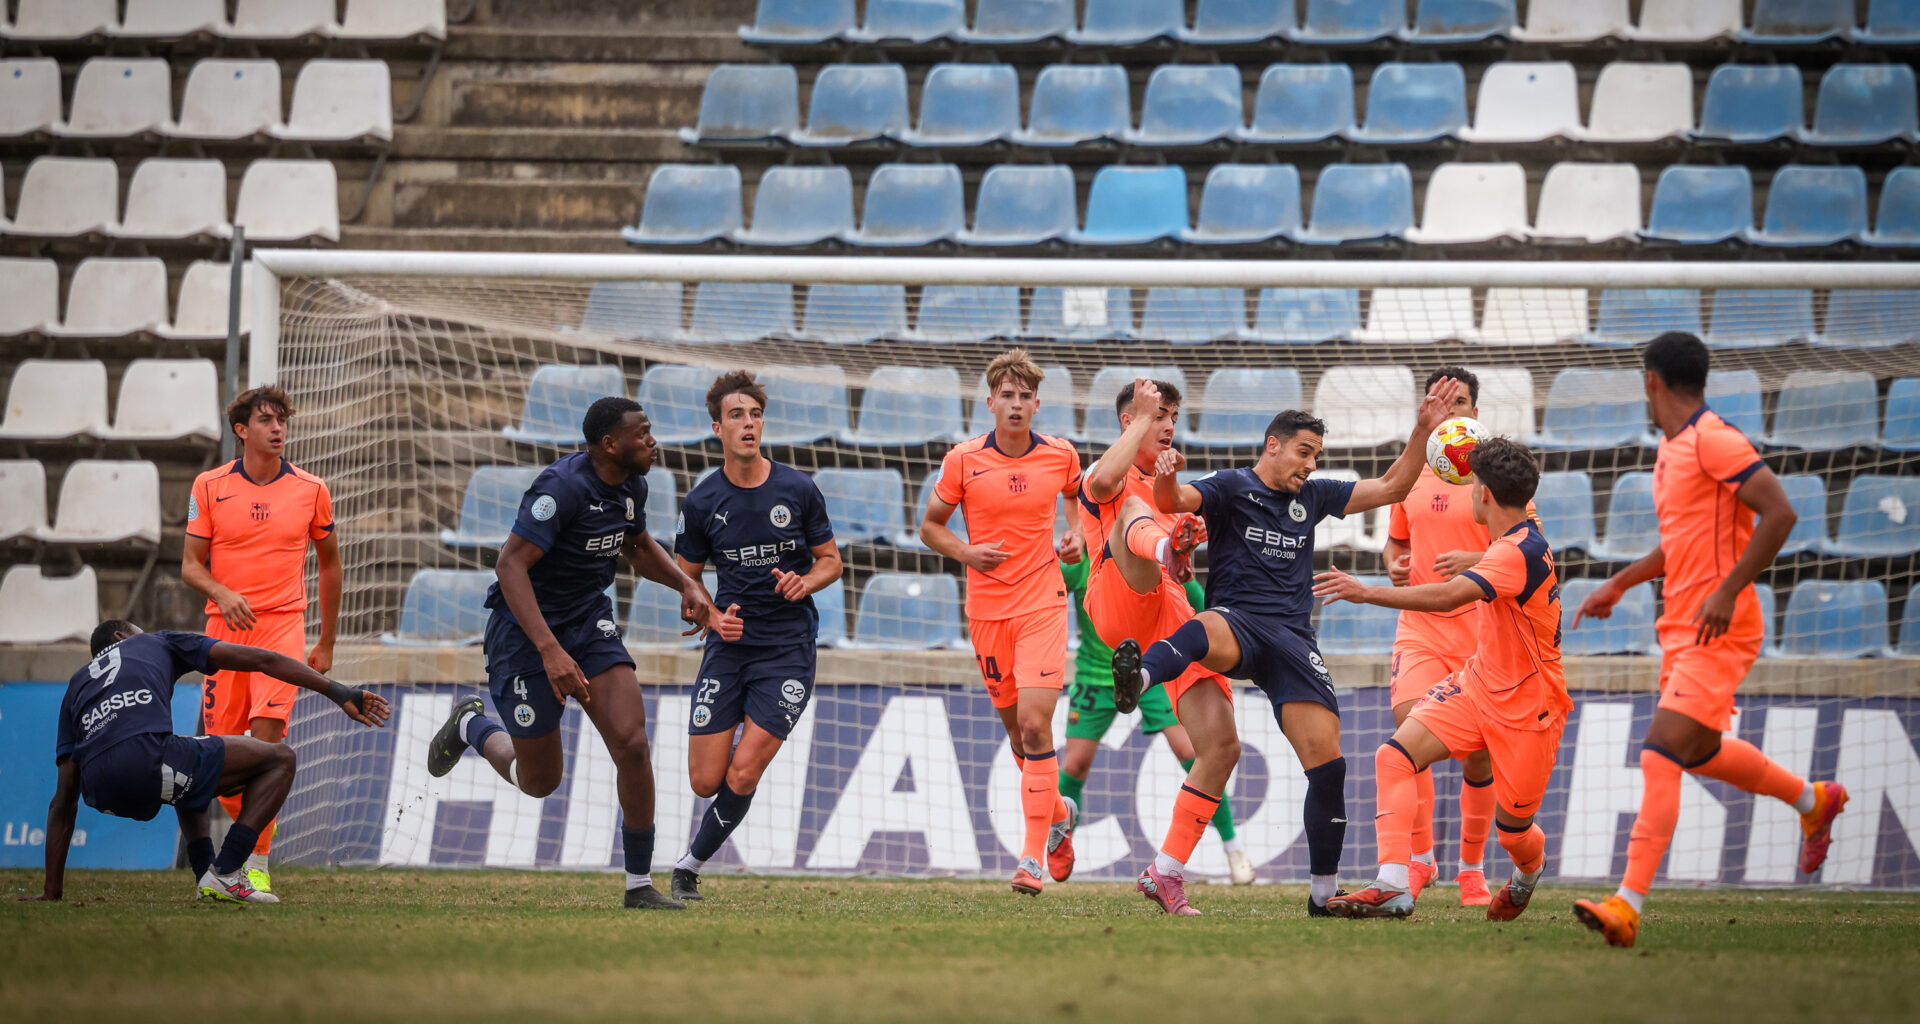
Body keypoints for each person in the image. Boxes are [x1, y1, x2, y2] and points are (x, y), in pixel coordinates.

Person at [1119, 377, 1463, 916]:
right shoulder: (1231, 486)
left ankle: (1323, 896)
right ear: (1273, 446)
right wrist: (1166, 476)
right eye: (1304, 452)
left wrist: (1422, 430)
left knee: (1329, 767)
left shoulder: (1316, 496)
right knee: (1205, 626)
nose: (1310, 464)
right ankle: (1139, 676)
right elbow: (1174, 501)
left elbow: (1393, 487)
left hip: (1294, 639)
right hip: (1240, 622)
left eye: (1316, 454)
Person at [1571, 332, 1847, 948]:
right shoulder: (1673, 448)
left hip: (1720, 625)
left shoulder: (1714, 439)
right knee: (1700, 752)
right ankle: (1813, 800)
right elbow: (1681, 542)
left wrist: (1727, 591)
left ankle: (1627, 905)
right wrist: (1620, 582)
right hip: (1683, 626)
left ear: (1651, 380)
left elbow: (1780, 513)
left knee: (1660, 751)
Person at [426, 396, 716, 910]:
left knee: (632, 744)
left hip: (587, 621)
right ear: (609, 444)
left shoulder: (632, 485)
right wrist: (550, 652)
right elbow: (510, 565)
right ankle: (473, 726)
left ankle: (638, 884)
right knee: (540, 781)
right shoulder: (560, 489)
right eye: (642, 433)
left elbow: (636, 545)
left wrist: (685, 584)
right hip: (524, 634)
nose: (653, 441)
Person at [1314, 438, 1567, 921]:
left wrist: (1366, 593)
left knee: (1514, 832)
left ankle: (1528, 871)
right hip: (1478, 686)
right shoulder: (1518, 540)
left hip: (1529, 708)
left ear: (1484, 494)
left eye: (1473, 485)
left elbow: (1448, 597)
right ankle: (1394, 881)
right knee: (1394, 756)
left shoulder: (1516, 552)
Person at [24, 620, 387, 905]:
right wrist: (339, 692)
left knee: (188, 765)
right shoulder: (158, 642)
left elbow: (63, 799)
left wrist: (52, 889)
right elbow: (264, 660)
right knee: (281, 759)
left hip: (100, 790)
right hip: (146, 763)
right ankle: (228, 871)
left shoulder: (78, 684)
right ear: (123, 636)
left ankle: (207, 878)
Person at [1070, 378, 1251, 887]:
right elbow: (1106, 483)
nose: (1169, 425)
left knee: (1220, 747)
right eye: (1158, 415)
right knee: (1134, 511)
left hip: (1167, 623)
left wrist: (1185, 555)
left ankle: (1166, 872)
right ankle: (1052, 833)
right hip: (1116, 602)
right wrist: (1171, 550)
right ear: (1129, 423)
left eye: (1173, 416)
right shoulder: (1106, 473)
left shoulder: (1172, 494)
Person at [668, 371, 841, 902]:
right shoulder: (702, 502)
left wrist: (804, 581)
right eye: (737, 415)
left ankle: (688, 868)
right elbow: (686, 583)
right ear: (717, 428)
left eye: (756, 414)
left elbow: (831, 562)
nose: (749, 424)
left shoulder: (797, 489)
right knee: (705, 780)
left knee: (743, 772)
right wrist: (713, 616)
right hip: (729, 648)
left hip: (787, 650)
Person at [918, 349, 1084, 895]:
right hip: (987, 611)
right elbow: (930, 527)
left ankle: (1031, 858)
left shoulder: (1060, 454)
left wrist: (1076, 535)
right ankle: (1059, 814)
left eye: (1024, 396)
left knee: (1036, 726)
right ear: (990, 403)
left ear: (1037, 404)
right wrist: (966, 553)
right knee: (1018, 734)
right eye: (1006, 396)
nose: (1015, 404)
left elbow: (1076, 499)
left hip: (1042, 602)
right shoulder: (963, 461)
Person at [180, 385, 340, 895]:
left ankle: (254, 864)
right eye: (266, 421)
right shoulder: (209, 486)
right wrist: (221, 592)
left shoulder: (312, 489)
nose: (277, 429)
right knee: (225, 759)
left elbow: (330, 565)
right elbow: (190, 566)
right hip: (225, 634)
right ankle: (235, 863)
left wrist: (326, 641)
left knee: (268, 743)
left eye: (282, 421)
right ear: (242, 430)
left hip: (282, 629)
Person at [1381, 366, 1531, 907]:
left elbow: (1530, 545)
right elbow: (1396, 542)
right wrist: (1394, 564)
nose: (1448, 409)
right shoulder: (1410, 472)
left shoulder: (1495, 476)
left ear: (1475, 412)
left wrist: (1478, 559)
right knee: (1408, 735)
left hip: (1481, 636)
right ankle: (1421, 860)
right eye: (1438, 401)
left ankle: (1471, 869)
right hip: (1420, 627)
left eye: (1459, 400)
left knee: (1479, 759)